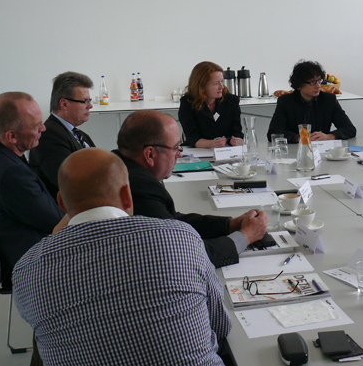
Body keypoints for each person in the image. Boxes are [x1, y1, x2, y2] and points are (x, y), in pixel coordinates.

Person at [12, 148, 272, 366]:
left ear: (61, 203)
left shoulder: (26, 272)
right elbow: (221, 328)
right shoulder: (178, 237)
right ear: (127, 195)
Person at [114, 110, 266, 267]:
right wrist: (246, 236)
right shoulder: (140, 188)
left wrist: (230, 225)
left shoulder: (122, 168)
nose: (179, 154)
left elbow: (172, 221)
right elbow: (185, 253)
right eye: (175, 148)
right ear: (150, 155)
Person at [0, 92, 65, 280]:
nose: (43, 128)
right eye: (36, 126)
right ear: (11, 136)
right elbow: (58, 222)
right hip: (34, 266)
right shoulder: (12, 174)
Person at [30, 71, 96, 198]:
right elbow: (67, 182)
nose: (90, 106)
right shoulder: (49, 135)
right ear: (64, 104)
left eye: (89, 100)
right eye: (85, 101)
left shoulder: (81, 135)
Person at [267, 60, 356, 143]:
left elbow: (350, 129)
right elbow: (273, 133)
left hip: (322, 149)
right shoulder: (286, 101)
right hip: (295, 149)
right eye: (312, 82)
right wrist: (299, 138)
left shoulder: (329, 100)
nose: (318, 86)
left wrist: (328, 136)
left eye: (319, 81)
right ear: (299, 85)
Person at [178, 61, 243, 148]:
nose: (222, 87)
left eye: (222, 81)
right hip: (197, 151)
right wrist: (213, 143)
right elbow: (193, 138)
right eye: (216, 83)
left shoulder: (231, 101)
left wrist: (237, 141)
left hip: (226, 151)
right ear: (202, 86)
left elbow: (237, 132)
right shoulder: (188, 103)